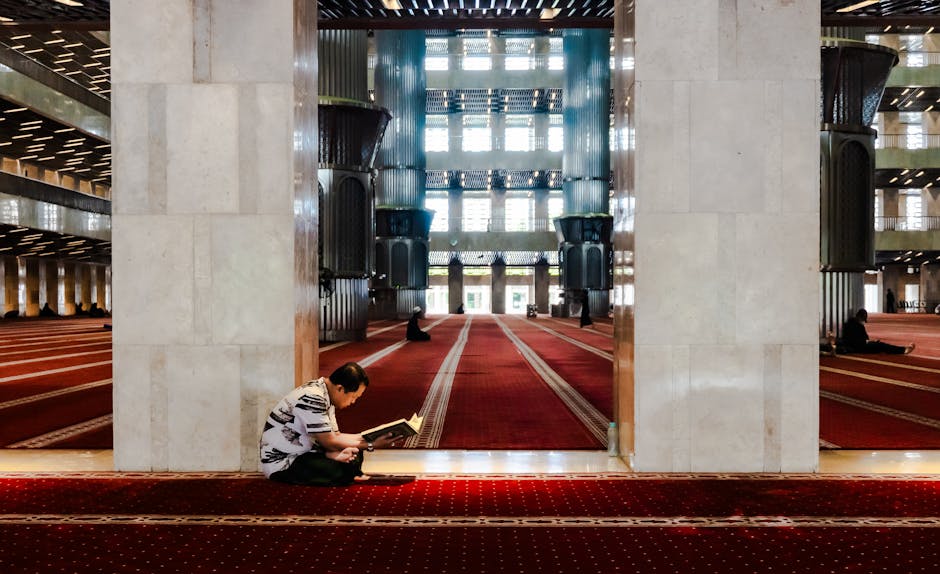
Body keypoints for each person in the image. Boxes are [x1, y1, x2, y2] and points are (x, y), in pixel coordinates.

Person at [260, 362, 399, 486]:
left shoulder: (325, 393)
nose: (353, 402)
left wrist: (368, 437)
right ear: (340, 388)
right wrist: (371, 445)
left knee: (355, 453)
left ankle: (332, 459)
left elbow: (336, 436)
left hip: (308, 454)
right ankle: (334, 462)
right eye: (353, 397)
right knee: (342, 471)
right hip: (284, 463)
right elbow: (330, 442)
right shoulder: (312, 397)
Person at [839, 309, 914, 355]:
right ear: (861, 317)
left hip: (852, 345)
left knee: (880, 346)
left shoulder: (848, 323)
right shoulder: (860, 326)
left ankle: (903, 350)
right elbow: (865, 339)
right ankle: (903, 350)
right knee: (882, 346)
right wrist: (872, 342)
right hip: (860, 347)